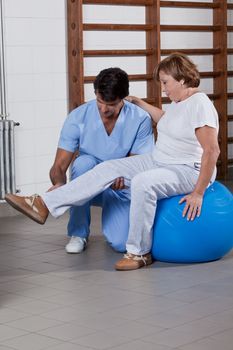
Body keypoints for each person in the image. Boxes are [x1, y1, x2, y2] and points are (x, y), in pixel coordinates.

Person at [5, 53, 220, 271]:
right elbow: (167, 120)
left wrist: (199, 192)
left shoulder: (199, 104)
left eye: (165, 82)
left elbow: (211, 150)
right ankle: (43, 204)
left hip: (186, 170)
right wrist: (140, 102)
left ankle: (139, 253)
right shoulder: (179, 102)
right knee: (108, 167)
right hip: (161, 160)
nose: (163, 88)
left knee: (143, 183)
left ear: (181, 79)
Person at [32, 68, 155, 254]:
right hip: (86, 183)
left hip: (119, 186)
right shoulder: (77, 116)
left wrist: (121, 175)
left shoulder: (140, 119)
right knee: (83, 163)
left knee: (122, 244)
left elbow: (140, 163)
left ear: (123, 98)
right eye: (99, 101)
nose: (104, 109)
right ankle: (78, 233)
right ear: (95, 93)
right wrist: (59, 184)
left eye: (111, 104)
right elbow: (59, 166)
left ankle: (43, 203)